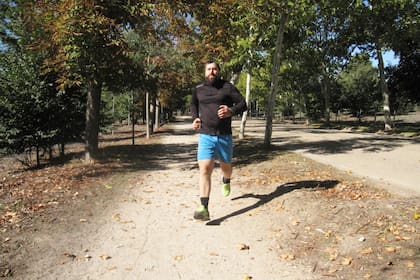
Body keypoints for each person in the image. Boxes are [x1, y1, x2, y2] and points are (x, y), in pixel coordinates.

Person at [190, 61, 247, 221]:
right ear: (205, 72)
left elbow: (243, 104)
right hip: (205, 135)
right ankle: (204, 207)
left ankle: (226, 179)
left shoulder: (227, 87)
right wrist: (195, 118)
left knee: (226, 167)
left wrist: (231, 110)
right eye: (209, 69)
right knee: (205, 170)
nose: (212, 71)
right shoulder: (199, 89)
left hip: (224, 136)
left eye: (214, 69)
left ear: (219, 71)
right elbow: (193, 104)